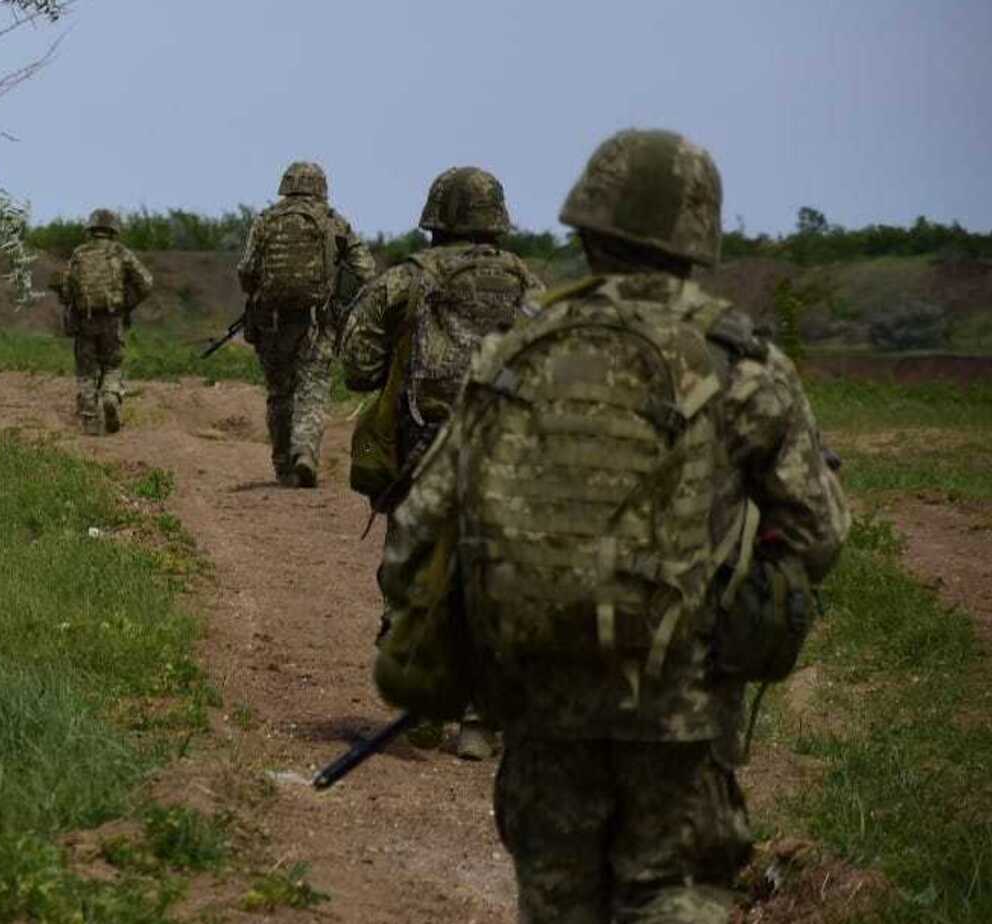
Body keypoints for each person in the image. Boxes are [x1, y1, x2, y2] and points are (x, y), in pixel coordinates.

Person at [376, 129, 849, 922]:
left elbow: (417, 535)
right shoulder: (743, 364)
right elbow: (818, 535)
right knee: (674, 895)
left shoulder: (517, 353)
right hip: (684, 708)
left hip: (539, 702)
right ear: (697, 238)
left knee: (558, 904)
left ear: (585, 228)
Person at [339, 166, 545, 761]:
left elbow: (357, 365)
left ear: (435, 217)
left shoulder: (404, 280)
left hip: (423, 449)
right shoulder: (531, 286)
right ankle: (480, 721)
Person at [236, 161, 376, 485]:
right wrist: (343, 299)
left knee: (279, 393)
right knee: (312, 389)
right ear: (321, 187)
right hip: (317, 322)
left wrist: (261, 292)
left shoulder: (265, 220)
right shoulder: (333, 222)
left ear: (285, 184)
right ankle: (305, 453)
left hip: (271, 323)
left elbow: (245, 271)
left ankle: (284, 464)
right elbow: (367, 271)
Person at [53, 208, 154, 435]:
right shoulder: (120, 252)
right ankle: (110, 397)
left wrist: (72, 302)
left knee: (87, 370)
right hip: (113, 319)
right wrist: (128, 303)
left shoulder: (78, 254)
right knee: (112, 365)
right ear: (113, 229)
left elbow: (66, 290)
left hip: (85, 320)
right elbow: (147, 282)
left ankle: (89, 420)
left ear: (90, 228)